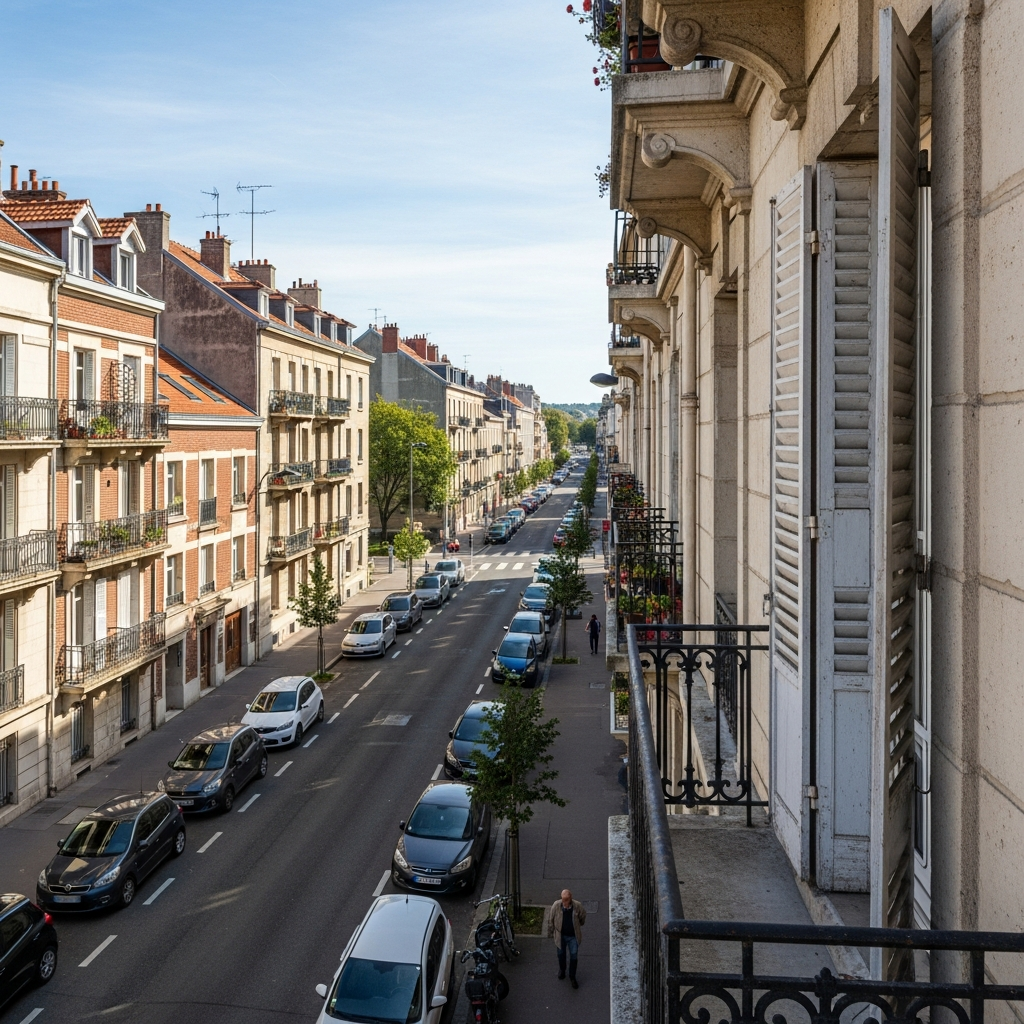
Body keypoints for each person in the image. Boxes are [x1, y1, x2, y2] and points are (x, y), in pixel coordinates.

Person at [545, 889, 586, 988]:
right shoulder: (556, 905)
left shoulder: (577, 906)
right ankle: (562, 970)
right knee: (561, 954)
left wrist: (578, 925)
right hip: (560, 935)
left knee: (574, 956)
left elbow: (582, 916)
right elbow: (551, 919)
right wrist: (551, 933)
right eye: (563, 900)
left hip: (573, 936)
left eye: (566, 900)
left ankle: (572, 976)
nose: (565, 903)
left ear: (571, 898)